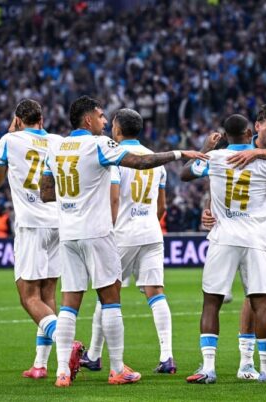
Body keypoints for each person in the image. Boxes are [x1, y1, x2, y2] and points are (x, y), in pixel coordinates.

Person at [39, 95, 206, 387]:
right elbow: (141, 162)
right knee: (110, 300)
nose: (105, 122)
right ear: (88, 119)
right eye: (101, 116)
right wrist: (180, 153)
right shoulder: (100, 145)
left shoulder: (55, 147)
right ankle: (117, 368)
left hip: (68, 234)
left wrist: (74, 196)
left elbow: (45, 193)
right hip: (99, 232)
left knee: (69, 303)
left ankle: (62, 371)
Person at [180, 114, 266, 384]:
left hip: (222, 239)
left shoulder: (215, 159)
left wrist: (206, 149)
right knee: (261, 304)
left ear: (225, 135)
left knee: (211, 303)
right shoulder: (265, 163)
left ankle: (208, 367)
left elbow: (185, 173)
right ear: (250, 132)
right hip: (255, 241)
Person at [79, 109, 177, 375]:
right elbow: (162, 206)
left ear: (118, 130)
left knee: (106, 293)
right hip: (152, 232)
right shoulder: (156, 159)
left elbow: (112, 199)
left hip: (123, 233)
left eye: (112, 125)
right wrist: (148, 223)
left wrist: (111, 228)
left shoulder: (116, 158)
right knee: (155, 293)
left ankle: (95, 355)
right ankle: (167, 356)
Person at [0, 99, 64, 379]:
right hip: (58, 223)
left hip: (31, 224)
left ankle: (66, 343)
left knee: (27, 296)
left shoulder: (9, 140)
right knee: (47, 294)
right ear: (41, 119)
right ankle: (40, 365)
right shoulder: (57, 141)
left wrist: (11, 132)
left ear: (18, 120)